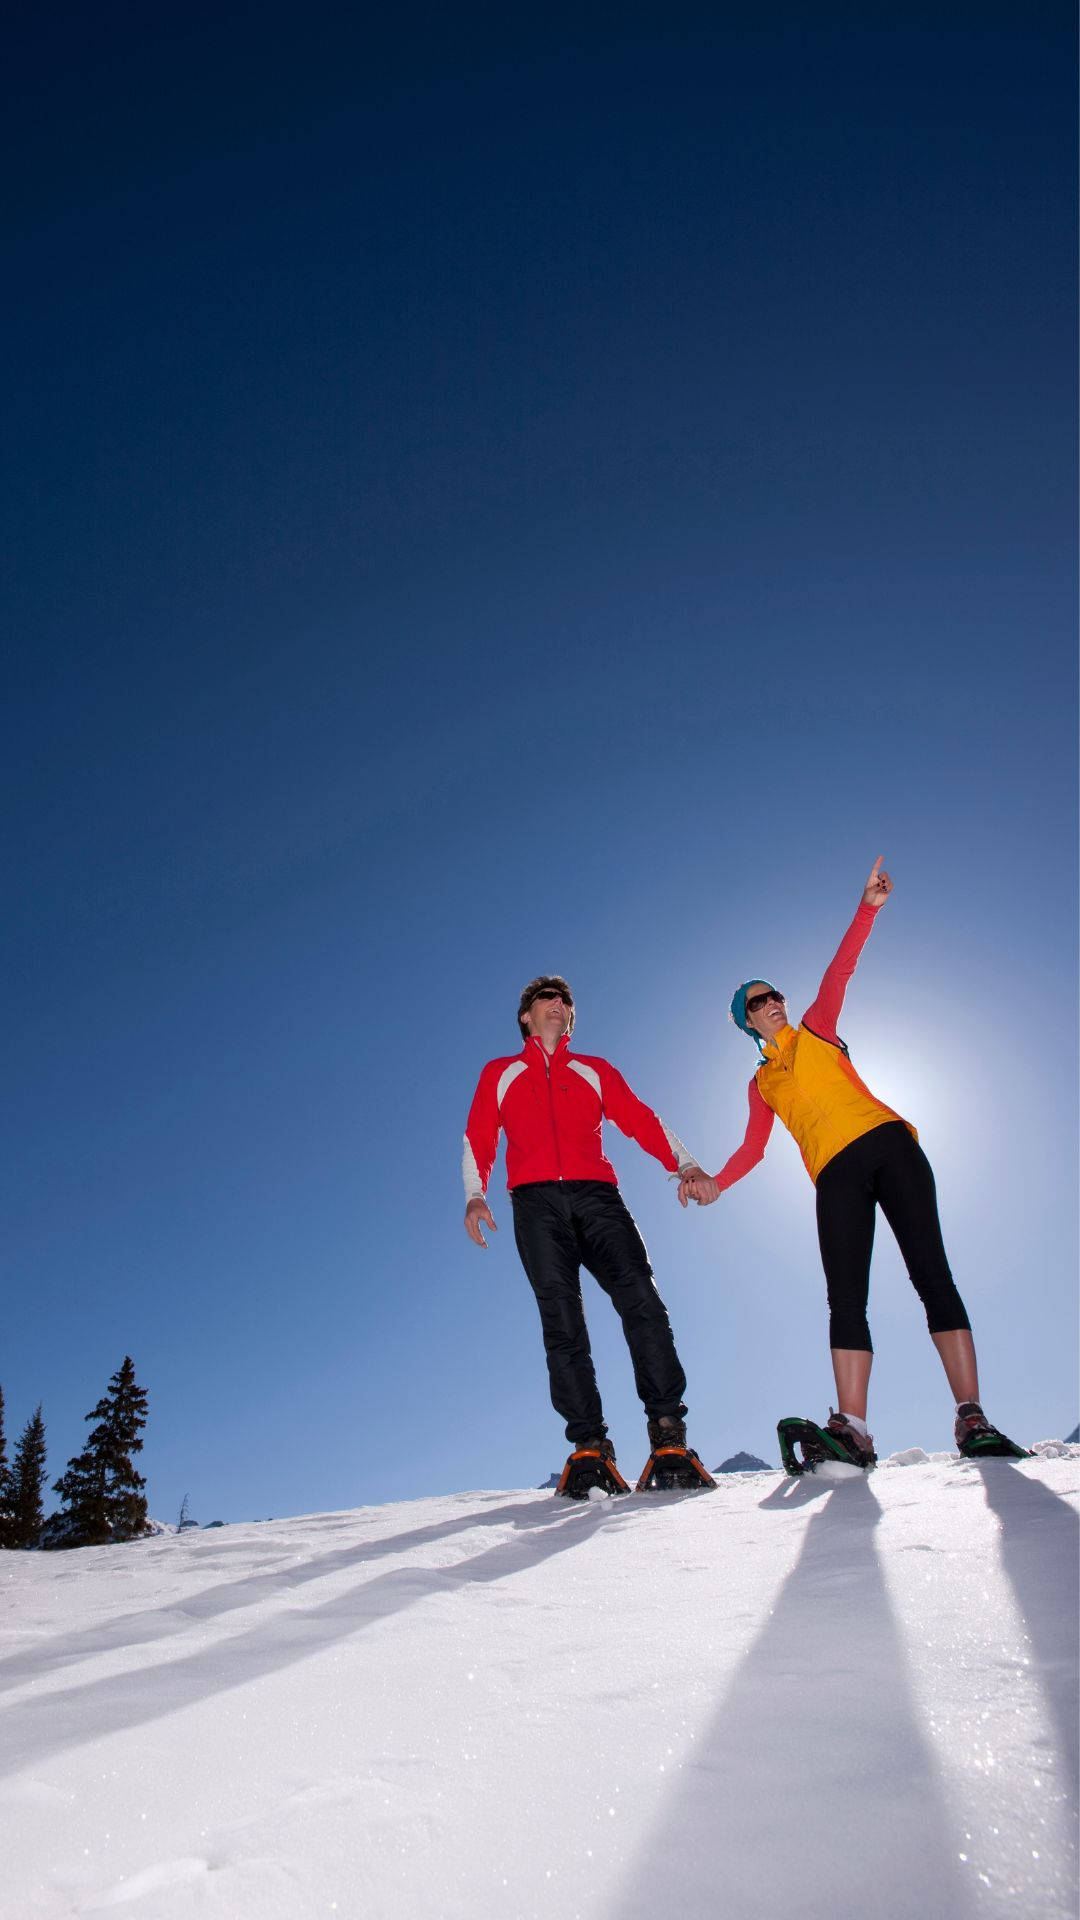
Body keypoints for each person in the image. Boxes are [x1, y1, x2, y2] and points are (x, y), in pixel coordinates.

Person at [681, 860, 1023, 1466]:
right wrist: (715, 1183)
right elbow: (753, 1150)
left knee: (931, 1275)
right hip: (834, 1175)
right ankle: (854, 1429)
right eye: (761, 1001)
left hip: (890, 1146)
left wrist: (867, 908)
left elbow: (841, 969)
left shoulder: (817, 1029)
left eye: (775, 993)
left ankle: (972, 1415)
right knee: (845, 1298)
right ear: (748, 1021)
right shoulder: (761, 1085)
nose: (775, 1002)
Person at [463, 974, 715, 1493]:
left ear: (571, 1017)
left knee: (642, 1301)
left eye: (565, 1001)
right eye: (546, 999)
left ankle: (668, 1430)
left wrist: (685, 1164)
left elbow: (641, 1119)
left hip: (597, 1198)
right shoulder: (501, 1073)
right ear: (526, 1017)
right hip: (534, 1205)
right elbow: (479, 1135)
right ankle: (589, 1444)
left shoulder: (595, 1071)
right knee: (561, 1321)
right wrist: (474, 1194)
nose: (558, 1005)